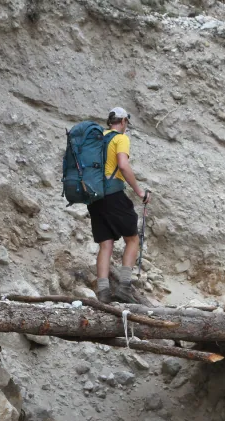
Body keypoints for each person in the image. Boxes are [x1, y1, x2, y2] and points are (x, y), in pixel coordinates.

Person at [90, 106, 151, 304]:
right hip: (113, 194)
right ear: (123, 121)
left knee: (106, 244)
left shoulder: (98, 138)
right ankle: (124, 287)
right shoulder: (120, 138)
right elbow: (123, 165)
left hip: (94, 197)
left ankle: (103, 293)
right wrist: (140, 191)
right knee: (132, 238)